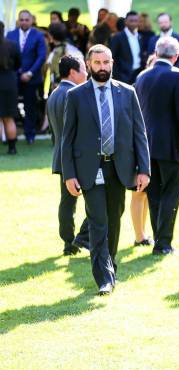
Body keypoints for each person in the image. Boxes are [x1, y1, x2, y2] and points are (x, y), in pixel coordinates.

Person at [61, 44, 150, 295]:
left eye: (106, 62)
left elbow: (139, 133)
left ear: (112, 63)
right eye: (97, 63)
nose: (102, 67)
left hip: (119, 169)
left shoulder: (128, 92)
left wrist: (144, 169)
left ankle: (110, 267)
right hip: (90, 169)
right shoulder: (76, 96)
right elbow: (67, 139)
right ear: (88, 65)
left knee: (113, 221)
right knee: (98, 222)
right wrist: (69, 174)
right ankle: (104, 278)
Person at [135, 37, 179, 255]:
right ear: (176, 56)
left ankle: (160, 239)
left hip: (145, 145)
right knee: (171, 193)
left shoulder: (141, 77)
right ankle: (164, 242)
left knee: (155, 194)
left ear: (156, 53)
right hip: (169, 145)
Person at [48, 55, 90, 255]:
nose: (87, 72)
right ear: (73, 72)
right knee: (98, 198)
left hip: (60, 156)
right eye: (83, 68)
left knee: (67, 202)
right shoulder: (73, 94)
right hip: (77, 158)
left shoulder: (55, 93)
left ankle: (68, 242)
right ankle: (81, 238)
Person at [7, 10, 47, 145]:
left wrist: (30, 73)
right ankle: (11, 133)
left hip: (32, 78)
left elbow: (41, 56)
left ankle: (30, 134)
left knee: (30, 106)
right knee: (11, 105)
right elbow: (8, 55)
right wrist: (18, 71)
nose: (24, 22)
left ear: (31, 20)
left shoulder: (38, 35)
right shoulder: (10, 34)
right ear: (18, 20)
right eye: (21, 19)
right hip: (14, 77)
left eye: (26, 19)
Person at [0, 21, 20, 155]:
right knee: (9, 117)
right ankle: (12, 148)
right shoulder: (12, 45)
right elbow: (19, 63)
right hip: (10, 81)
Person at [110, 11, 147, 84]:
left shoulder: (140, 37)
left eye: (135, 21)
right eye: (131, 21)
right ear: (126, 22)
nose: (133, 23)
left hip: (138, 75)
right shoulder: (117, 37)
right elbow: (112, 57)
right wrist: (118, 76)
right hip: (123, 77)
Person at [47, 23, 83, 94]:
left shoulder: (55, 53)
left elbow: (55, 74)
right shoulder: (74, 50)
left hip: (61, 90)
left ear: (51, 36)